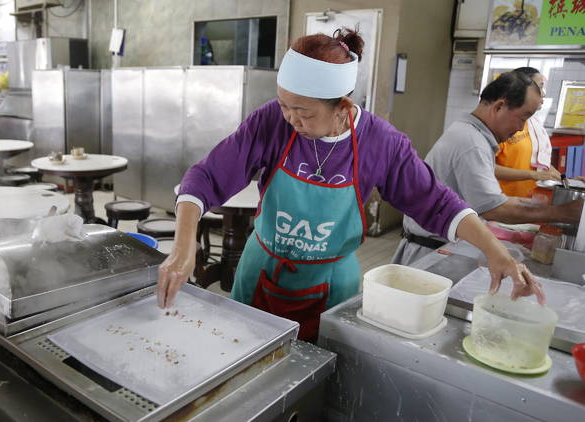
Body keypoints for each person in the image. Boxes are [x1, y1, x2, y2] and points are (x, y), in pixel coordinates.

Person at [160, 29, 544, 342]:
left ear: (342, 108)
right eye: (283, 105)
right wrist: (183, 246)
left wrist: (497, 252)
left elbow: (438, 203)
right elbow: (206, 176)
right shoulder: (271, 123)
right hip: (262, 270)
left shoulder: (382, 142)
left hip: (330, 284)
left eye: (304, 112)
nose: (290, 119)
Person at [394, 72, 583, 266]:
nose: (521, 128)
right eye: (523, 118)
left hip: (442, 247)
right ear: (499, 106)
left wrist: (546, 208)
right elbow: (495, 208)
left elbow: (491, 201)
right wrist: (565, 213)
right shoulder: (471, 142)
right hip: (431, 254)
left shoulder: (473, 135)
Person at [495, 67, 559, 197]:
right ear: (523, 89)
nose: (543, 93)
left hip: (529, 202)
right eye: (540, 87)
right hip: (502, 203)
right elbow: (485, 167)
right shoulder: (501, 125)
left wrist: (567, 181)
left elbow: (540, 164)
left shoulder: (533, 125)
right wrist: (532, 175)